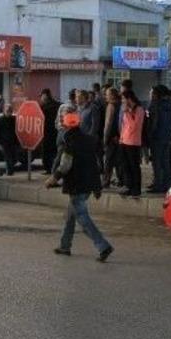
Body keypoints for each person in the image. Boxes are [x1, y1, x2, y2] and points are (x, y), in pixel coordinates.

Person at [46, 112, 113, 262]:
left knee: (82, 218)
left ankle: (103, 246)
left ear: (65, 126)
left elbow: (65, 166)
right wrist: (97, 187)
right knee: (70, 216)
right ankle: (65, 246)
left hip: (77, 185)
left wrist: (53, 179)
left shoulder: (69, 143)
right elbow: (95, 165)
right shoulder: (88, 140)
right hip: (89, 184)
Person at [145, 85, 171, 193]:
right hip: (166, 137)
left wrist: (150, 135)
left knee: (156, 162)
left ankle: (158, 185)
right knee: (165, 162)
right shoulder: (169, 104)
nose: (150, 94)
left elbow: (153, 123)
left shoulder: (155, 105)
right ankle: (167, 184)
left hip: (156, 138)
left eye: (151, 92)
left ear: (156, 94)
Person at [118, 90, 145, 197]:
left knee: (134, 166)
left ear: (129, 99)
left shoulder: (139, 109)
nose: (122, 101)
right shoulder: (125, 111)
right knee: (125, 166)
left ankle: (136, 188)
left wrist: (128, 112)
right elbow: (124, 126)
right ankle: (128, 186)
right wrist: (121, 138)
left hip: (133, 142)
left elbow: (134, 126)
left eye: (124, 99)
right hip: (124, 140)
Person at [53, 89, 78, 172]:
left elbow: (56, 121)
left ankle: (54, 173)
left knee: (59, 154)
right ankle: (54, 174)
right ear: (75, 97)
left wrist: (59, 129)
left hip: (60, 132)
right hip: (67, 133)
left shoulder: (62, 106)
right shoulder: (73, 108)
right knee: (65, 155)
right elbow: (72, 123)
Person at [102, 87, 122, 188]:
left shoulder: (111, 106)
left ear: (112, 95)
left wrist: (105, 138)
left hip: (112, 137)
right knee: (118, 161)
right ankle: (121, 180)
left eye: (107, 94)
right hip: (120, 137)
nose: (105, 96)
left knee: (108, 161)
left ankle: (106, 181)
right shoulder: (121, 104)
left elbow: (108, 123)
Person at [39, 89, 60, 174]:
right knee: (53, 152)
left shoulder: (43, 107)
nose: (41, 98)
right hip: (54, 132)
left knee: (47, 152)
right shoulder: (58, 104)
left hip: (48, 132)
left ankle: (49, 169)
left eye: (42, 96)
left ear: (45, 96)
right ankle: (52, 169)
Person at [0, 104, 19, 176]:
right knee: (8, 159)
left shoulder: (14, 119)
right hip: (4, 143)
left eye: (10, 111)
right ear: (4, 111)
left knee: (15, 159)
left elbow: (17, 130)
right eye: (7, 111)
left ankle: (1, 170)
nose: (9, 112)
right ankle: (9, 173)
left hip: (13, 142)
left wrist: (17, 142)